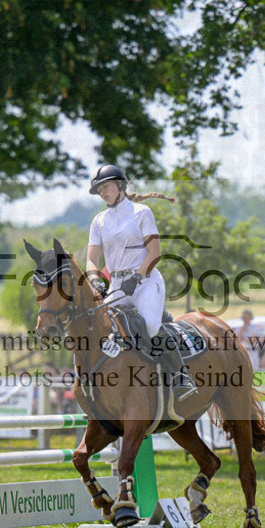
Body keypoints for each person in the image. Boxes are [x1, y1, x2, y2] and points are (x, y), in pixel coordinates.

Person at [84, 164, 198, 401]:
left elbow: (154, 253)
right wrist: (94, 279)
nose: (103, 193)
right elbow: (91, 260)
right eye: (100, 190)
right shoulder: (99, 221)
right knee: (100, 328)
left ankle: (179, 376)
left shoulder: (141, 212)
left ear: (120, 186)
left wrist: (136, 278)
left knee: (152, 327)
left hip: (145, 280)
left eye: (105, 187)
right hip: (117, 284)